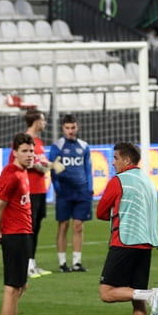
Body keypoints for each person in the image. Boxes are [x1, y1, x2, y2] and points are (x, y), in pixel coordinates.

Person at [96, 142, 158, 315]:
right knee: (137, 297)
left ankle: (150, 294)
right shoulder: (148, 181)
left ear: (126, 160)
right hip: (146, 244)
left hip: (124, 242)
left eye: (115, 158)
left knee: (106, 293)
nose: (112, 163)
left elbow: (100, 212)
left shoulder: (118, 181)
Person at [0, 133, 38, 315]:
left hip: (22, 235)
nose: (29, 155)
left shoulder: (22, 172)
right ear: (14, 152)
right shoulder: (12, 175)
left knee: (20, 286)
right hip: (15, 236)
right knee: (12, 289)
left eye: (31, 151)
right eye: (25, 151)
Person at [45, 114, 92, 272]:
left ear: (77, 128)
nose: (70, 131)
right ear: (63, 128)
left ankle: (77, 262)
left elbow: (87, 169)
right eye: (67, 128)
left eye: (73, 127)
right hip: (65, 192)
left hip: (82, 192)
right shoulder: (57, 146)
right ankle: (62, 263)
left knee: (78, 226)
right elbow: (53, 170)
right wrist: (58, 189)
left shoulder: (84, 146)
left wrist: (89, 188)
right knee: (63, 225)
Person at [17, 108, 52, 278]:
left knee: (36, 227)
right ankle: (25, 265)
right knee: (28, 229)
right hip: (28, 190)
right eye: (43, 120)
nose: (44, 123)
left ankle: (32, 263)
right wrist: (38, 164)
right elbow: (18, 162)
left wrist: (43, 165)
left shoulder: (39, 142)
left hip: (40, 189)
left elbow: (44, 165)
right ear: (36, 122)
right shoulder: (23, 140)